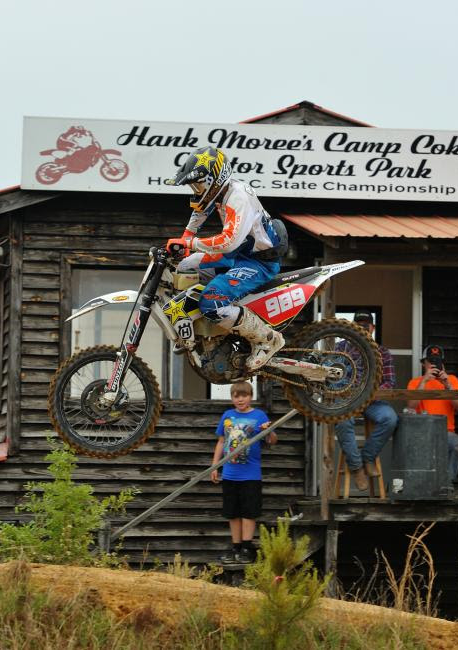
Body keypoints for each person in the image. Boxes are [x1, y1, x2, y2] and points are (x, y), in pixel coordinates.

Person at [164, 146, 287, 371]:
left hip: (258, 261)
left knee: (210, 303)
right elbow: (199, 212)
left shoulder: (238, 197)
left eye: (199, 184)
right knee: (185, 265)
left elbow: (228, 241)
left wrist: (190, 243)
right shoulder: (219, 192)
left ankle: (267, 340)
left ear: (214, 178)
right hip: (238, 254)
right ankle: (203, 329)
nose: (196, 189)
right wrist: (186, 238)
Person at [210, 381, 275, 564]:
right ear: (232, 398)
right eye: (236, 396)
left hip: (251, 475)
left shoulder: (259, 415)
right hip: (230, 474)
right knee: (232, 513)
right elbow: (221, 442)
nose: (240, 399)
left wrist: (268, 431)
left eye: (244, 395)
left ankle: (247, 547)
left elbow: (272, 440)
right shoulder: (227, 416)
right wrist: (215, 466)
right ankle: (235, 547)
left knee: (248, 512)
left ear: (251, 396)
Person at [335, 310, 398, 491]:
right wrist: (348, 393)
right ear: (353, 326)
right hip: (348, 399)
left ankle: (367, 458)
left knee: (390, 419)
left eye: (366, 324)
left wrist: (370, 394)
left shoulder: (383, 352)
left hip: (373, 400)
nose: (363, 327)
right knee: (342, 421)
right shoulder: (340, 348)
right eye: (359, 324)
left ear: (372, 328)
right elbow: (332, 378)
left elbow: (389, 383)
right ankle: (357, 468)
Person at [406, 344, 458, 482]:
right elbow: (411, 406)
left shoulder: (452, 380)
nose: (433, 365)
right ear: (424, 364)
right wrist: (425, 381)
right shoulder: (416, 382)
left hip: (446, 431)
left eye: (436, 362)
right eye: (430, 362)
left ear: (442, 363)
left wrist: (447, 385)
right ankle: (421, 485)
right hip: (422, 430)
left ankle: (446, 483)